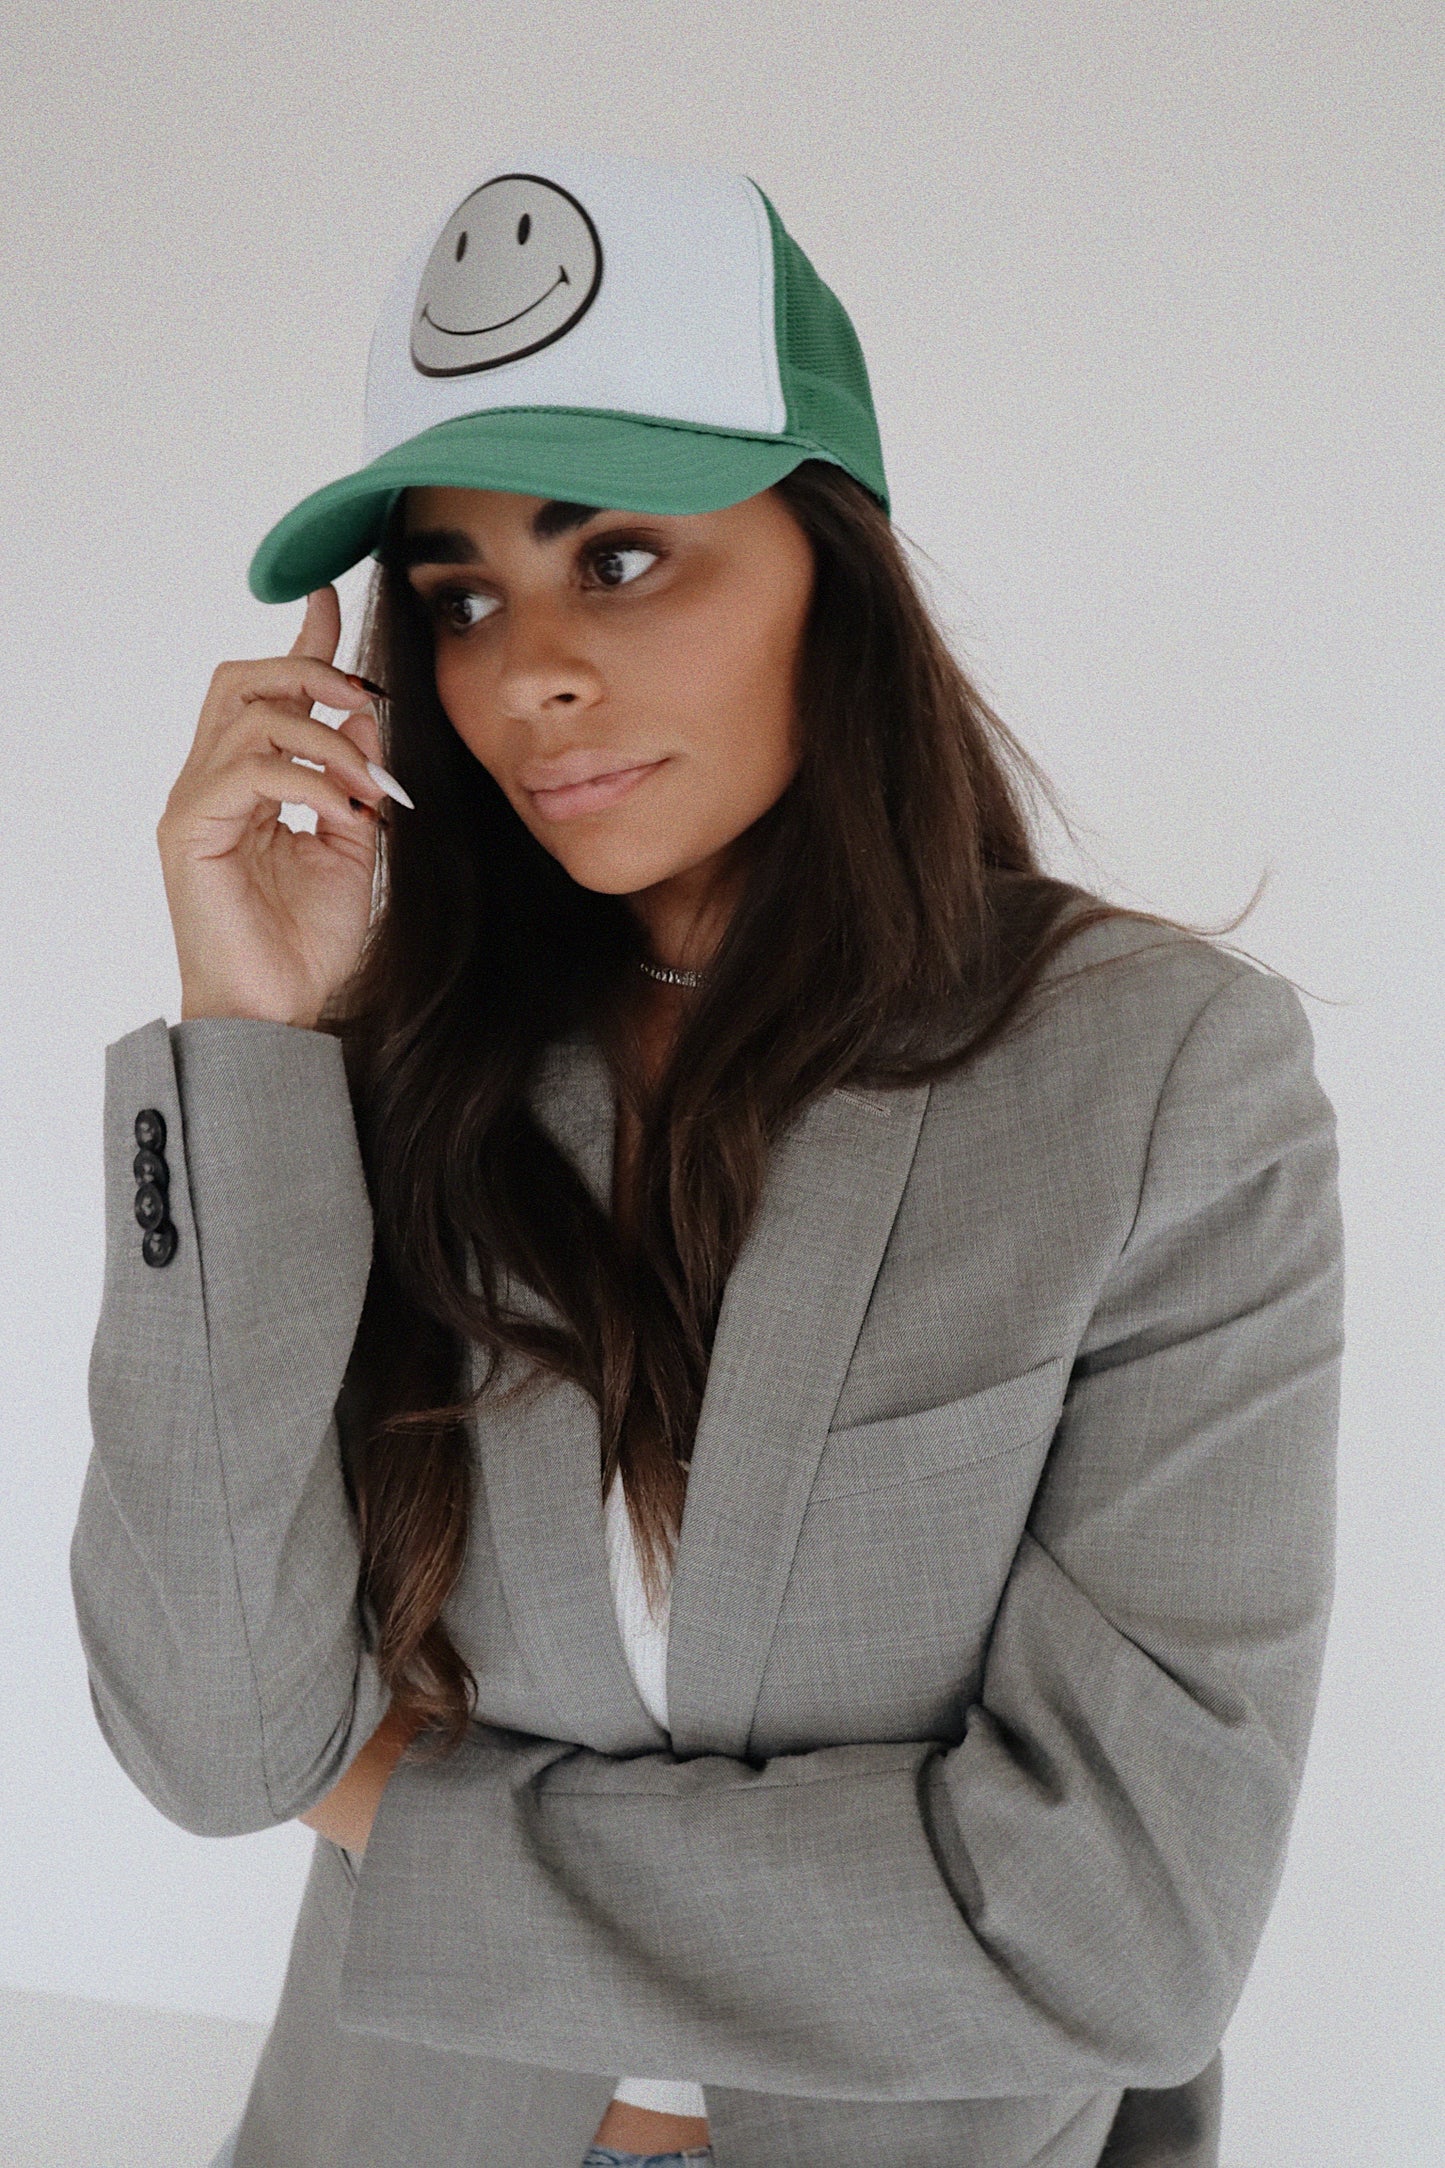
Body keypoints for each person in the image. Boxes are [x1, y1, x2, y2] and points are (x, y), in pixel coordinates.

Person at [71, 148, 1343, 2168]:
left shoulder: (1161, 1081)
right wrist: (244, 1045)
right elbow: (221, 1742)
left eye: (623, 558)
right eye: (462, 593)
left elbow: (1127, 1924)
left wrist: (414, 1809)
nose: (527, 672)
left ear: (834, 560)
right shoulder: (393, 1065)